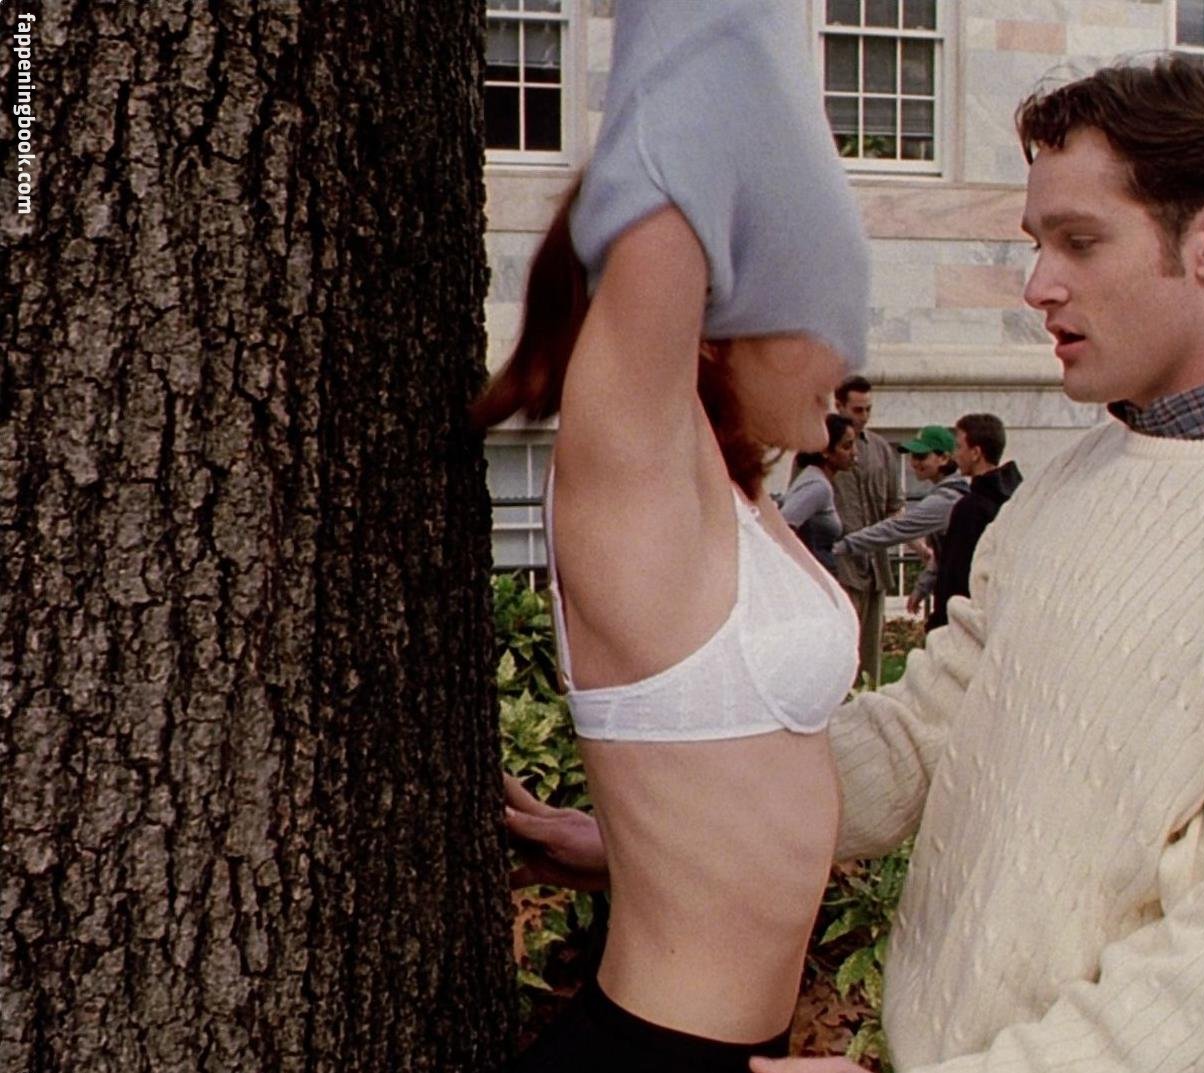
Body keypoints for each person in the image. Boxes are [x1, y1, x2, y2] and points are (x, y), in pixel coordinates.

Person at [514, 56, 1204, 1073]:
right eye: (1037, 243)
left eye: (1080, 241)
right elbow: (923, 736)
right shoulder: (1076, 479)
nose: (1038, 285)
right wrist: (670, 841)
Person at [477, 4, 869, 1069]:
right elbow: (675, 152)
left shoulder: (734, 497)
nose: (848, 354)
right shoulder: (637, 478)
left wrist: (624, 848)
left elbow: (729, 794)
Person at [832, 426, 970, 626]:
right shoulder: (953, 492)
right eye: (913, 456)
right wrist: (922, 586)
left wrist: (843, 545)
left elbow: (896, 528)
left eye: (921, 456)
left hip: (960, 594)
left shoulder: (945, 500)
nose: (914, 463)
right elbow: (943, 554)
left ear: (944, 458)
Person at [829, 376, 904, 687]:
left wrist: (919, 547)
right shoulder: (820, 451)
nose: (863, 417)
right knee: (840, 651)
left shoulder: (881, 449)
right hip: (839, 567)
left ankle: (867, 700)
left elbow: (894, 507)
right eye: (857, 410)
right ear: (839, 406)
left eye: (868, 410)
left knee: (870, 655)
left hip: (875, 566)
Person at [918, 413, 1022, 630]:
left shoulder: (970, 509)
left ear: (975, 453)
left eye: (959, 447)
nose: (955, 454)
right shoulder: (1018, 499)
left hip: (966, 620)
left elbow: (954, 576)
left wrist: (938, 624)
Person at [779, 413, 859, 570]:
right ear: (825, 451)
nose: (854, 452)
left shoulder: (816, 478)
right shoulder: (818, 486)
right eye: (846, 447)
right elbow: (784, 525)